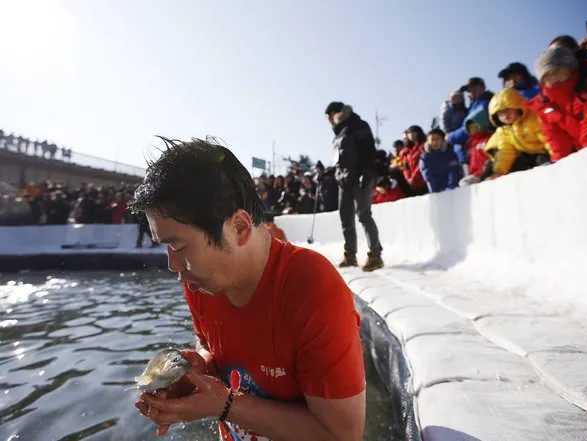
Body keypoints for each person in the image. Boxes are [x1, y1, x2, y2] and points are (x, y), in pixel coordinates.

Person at [130, 136, 366, 441]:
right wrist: (198, 370)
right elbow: (215, 349)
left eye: (179, 246)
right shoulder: (202, 281)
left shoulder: (312, 289)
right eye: (166, 247)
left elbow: (342, 435)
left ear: (238, 228)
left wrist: (227, 405)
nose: (173, 266)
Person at [528, 46, 587, 162]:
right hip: (586, 152)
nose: (553, 77)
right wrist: (560, 163)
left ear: (571, 68)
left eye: (557, 70)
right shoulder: (546, 105)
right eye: (547, 75)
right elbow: (555, 137)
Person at [325, 102, 384, 272]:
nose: (328, 120)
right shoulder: (338, 133)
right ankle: (350, 254)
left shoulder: (358, 125)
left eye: (329, 115)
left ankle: (376, 254)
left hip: (360, 177)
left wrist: (367, 172)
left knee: (364, 215)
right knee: (345, 218)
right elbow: (339, 159)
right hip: (343, 180)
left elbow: (369, 150)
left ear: (336, 113)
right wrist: (329, 173)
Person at [483, 87, 552, 178]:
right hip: (528, 154)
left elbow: (548, 138)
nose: (505, 115)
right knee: (516, 164)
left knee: (544, 164)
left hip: (544, 152)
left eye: (508, 109)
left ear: (518, 107)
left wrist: (556, 156)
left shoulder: (532, 119)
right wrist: (499, 172)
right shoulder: (503, 131)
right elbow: (506, 152)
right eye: (500, 113)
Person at [418, 128, 461, 193]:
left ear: (443, 140)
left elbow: (453, 172)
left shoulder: (450, 154)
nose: (435, 142)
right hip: (435, 190)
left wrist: (450, 188)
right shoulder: (425, 157)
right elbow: (428, 176)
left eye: (438, 139)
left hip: (451, 190)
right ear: (428, 141)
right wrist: (434, 192)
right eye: (432, 139)